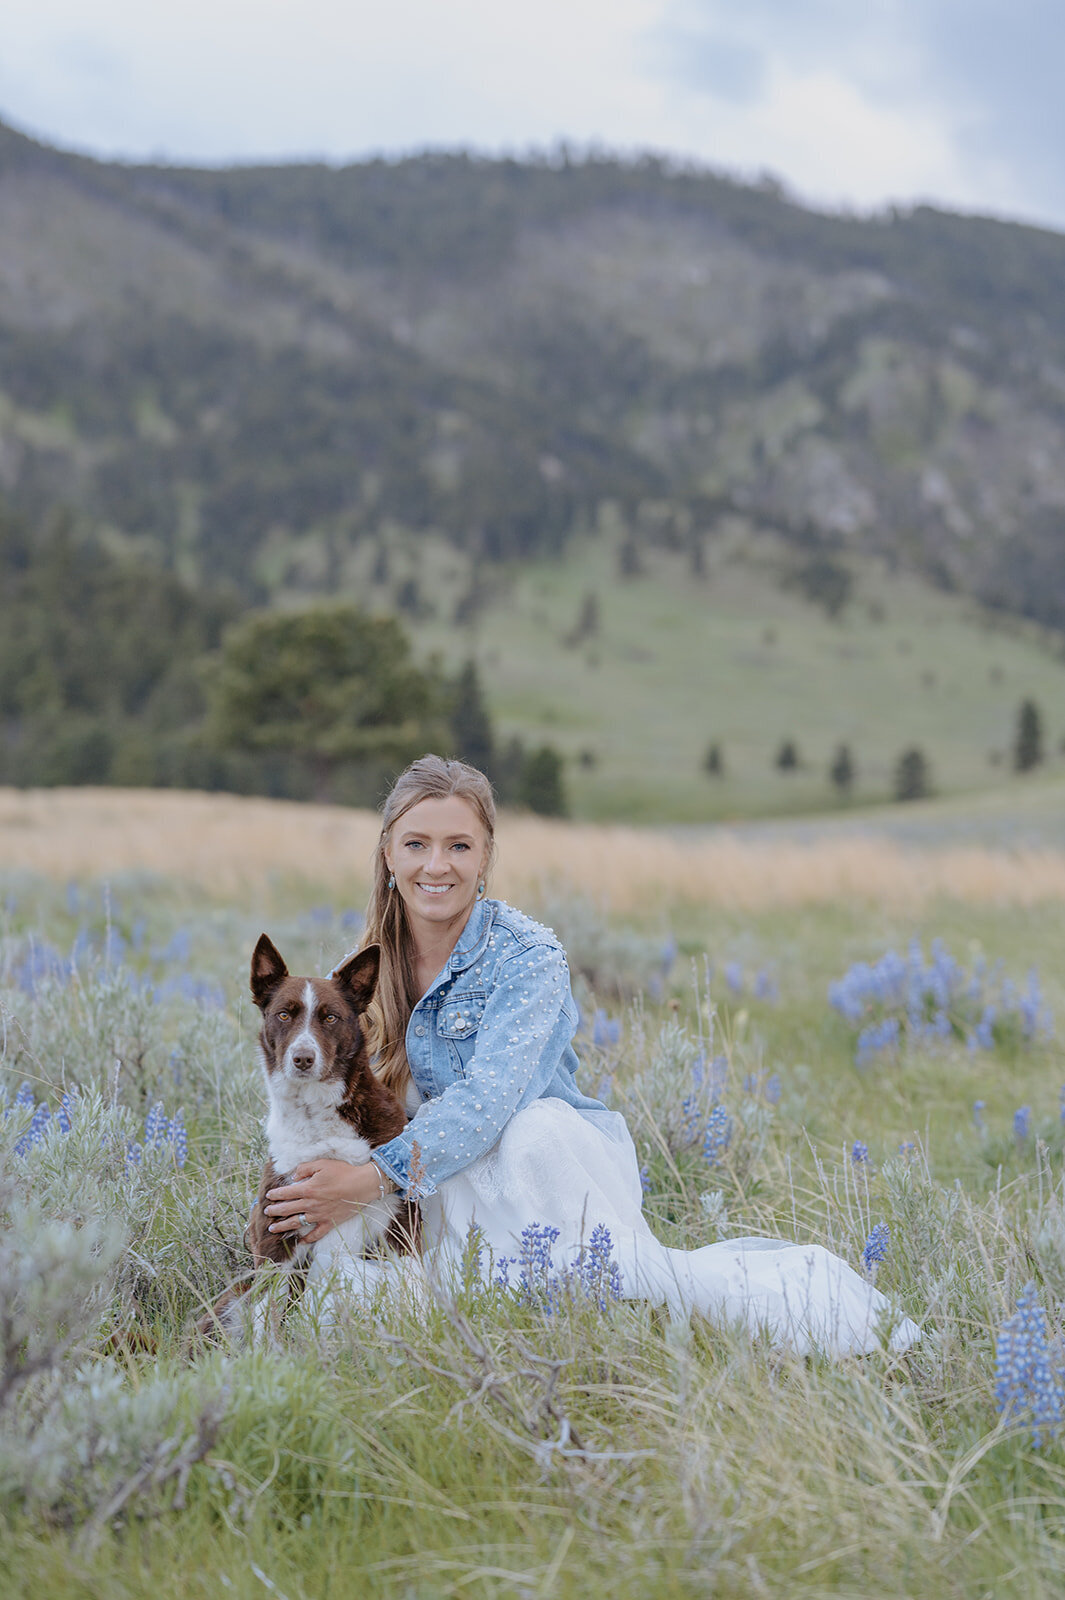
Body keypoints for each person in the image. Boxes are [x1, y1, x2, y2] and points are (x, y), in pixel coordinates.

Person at [264, 755, 919, 1355]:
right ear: (387, 854)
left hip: (541, 1165)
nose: (436, 865)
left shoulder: (528, 957)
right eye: (416, 844)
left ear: (486, 854)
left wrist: (368, 1179)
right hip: (434, 1179)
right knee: (408, 1309)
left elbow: (492, 1101)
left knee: (545, 1165)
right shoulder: (359, 971)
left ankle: (808, 1319)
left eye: (458, 845)